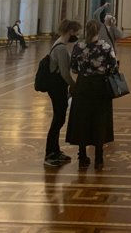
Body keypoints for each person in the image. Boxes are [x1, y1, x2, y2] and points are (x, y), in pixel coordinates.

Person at [66, 19, 118, 171]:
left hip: (83, 86)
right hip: (100, 87)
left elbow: (74, 69)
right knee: (99, 119)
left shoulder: (79, 46)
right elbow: (113, 67)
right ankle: (99, 158)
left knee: (82, 119)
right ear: (98, 31)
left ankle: (82, 156)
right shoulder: (106, 46)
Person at [44, 19, 81, 167]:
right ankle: (50, 154)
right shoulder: (60, 48)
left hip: (58, 87)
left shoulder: (60, 45)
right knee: (57, 121)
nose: (77, 35)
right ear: (70, 31)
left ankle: (55, 151)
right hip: (57, 88)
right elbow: (65, 73)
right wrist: (74, 86)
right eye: (76, 32)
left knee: (59, 120)